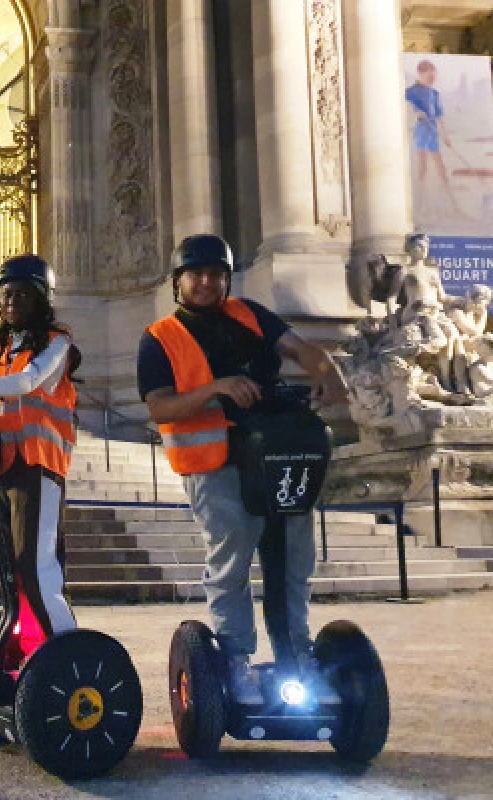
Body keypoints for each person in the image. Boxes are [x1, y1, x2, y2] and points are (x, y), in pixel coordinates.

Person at [136, 234, 349, 704]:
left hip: (276, 454)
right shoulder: (159, 339)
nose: (207, 282)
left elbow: (300, 348)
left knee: (294, 560)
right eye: (196, 274)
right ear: (178, 282)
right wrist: (218, 388)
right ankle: (235, 662)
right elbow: (161, 407)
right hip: (216, 465)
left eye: (216, 274)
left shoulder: (250, 313)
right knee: (232, 565)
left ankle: (299, 657)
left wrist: (327, 372)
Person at [0, 254, 81, 657]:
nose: (12, 303)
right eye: (5, 295)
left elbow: (29, 381)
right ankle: (29, 643)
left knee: (36, 565)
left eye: (22, 295)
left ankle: (66, 651)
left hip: (39, 464)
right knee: (12, 568)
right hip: (2, 467)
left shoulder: (58, 341)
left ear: (41, 299)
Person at [405, 60, 464, 222]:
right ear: (421, 73)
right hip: (421, 132)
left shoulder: (434, 93)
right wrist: (415, 112)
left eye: (433, 77)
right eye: (429, 76)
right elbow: (406, 108)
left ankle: (454, 207)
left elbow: (439, 117)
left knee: (441, 170)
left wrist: (445, 136)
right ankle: (417, 208)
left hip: (433, 134)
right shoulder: (410, 91)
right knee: (422, 169)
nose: (432, 80)